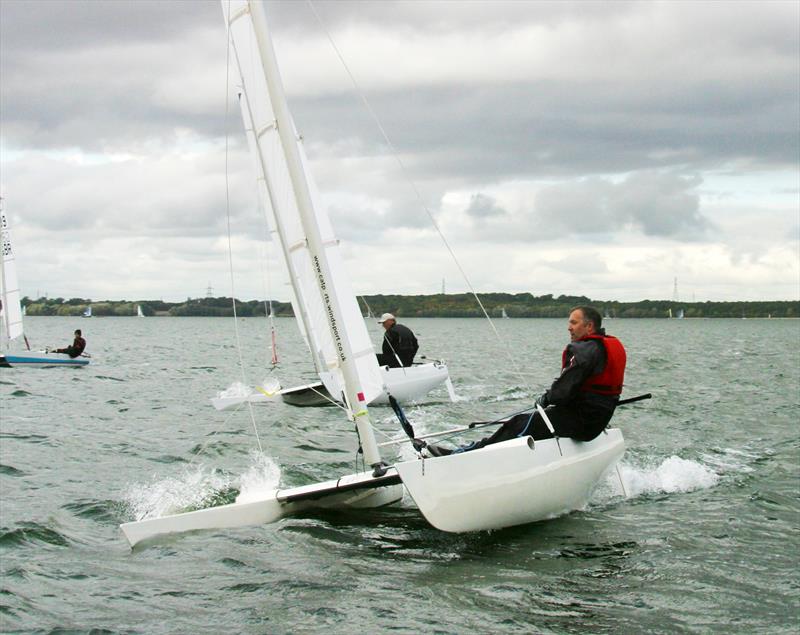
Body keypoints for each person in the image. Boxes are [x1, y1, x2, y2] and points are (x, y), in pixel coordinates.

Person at [427, 306, 626, 456]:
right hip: (597, 423)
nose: (569, 328)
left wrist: (546, 398)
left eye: (573, 323)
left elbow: (561, 393)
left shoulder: (584, 350)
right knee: (533, 423)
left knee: (519, 423)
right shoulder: (609, 346)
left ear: (589, 326)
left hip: (580, 422)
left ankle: (465, 454)